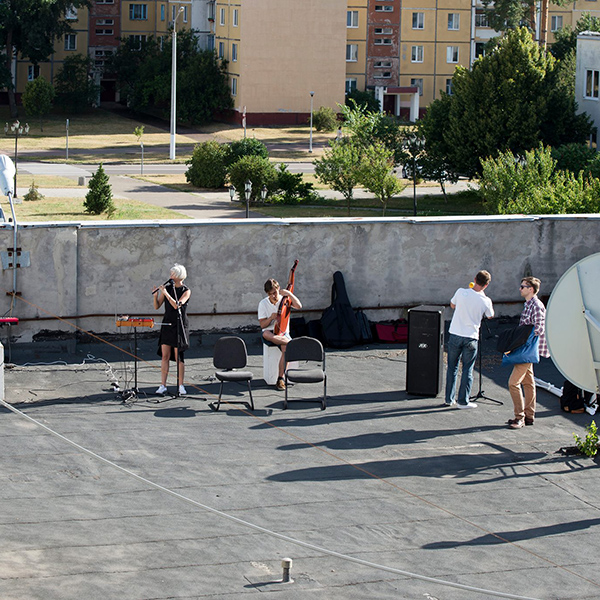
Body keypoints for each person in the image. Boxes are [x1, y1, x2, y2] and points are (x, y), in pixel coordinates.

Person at [445, 270, 494, 408]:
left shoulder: (461, 292)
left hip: (455, 333)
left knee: (452, 368)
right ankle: (463, 401)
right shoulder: (486, 300)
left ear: (474, 279)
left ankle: (449, 399)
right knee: (467, 369)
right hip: (471, 337)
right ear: (486, 285)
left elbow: (452, 305)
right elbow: (490, 315)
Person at [507, 276, 550, 429]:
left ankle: (519, 417)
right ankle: (529, 416)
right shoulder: (529, 304)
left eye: (523, 286)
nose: (520, 289)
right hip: (526, 349)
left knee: (513, 383)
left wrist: (523, 342)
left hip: (526, 350)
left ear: (531, 289)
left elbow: (539, 328)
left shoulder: (536, 306)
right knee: (528, 383)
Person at [153, 264, 191, 396]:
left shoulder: (186, 291)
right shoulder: (168, 289)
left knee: (179, 357)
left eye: (173, 274)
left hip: (179, 325)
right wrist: (156, 295)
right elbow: (157, 306)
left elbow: (177, 305)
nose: (170, 276)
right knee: (165, 356)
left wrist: (165, 293)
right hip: (167, 324)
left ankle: (181, 385)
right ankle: (162, 385)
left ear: (179, 276)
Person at [258, 278, 302, 390]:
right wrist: (270, 318)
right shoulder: (263, 303)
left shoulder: (284, 299)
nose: (273, 296)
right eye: (270, 294)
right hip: (270, 332)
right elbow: (262, 325)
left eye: (275, 292)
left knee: (285, 348)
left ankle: (280, 378)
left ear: (278, 289)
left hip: (283, 333)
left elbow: (299, 306)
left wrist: (289, 294)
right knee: (266, 334)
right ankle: (291, 343)